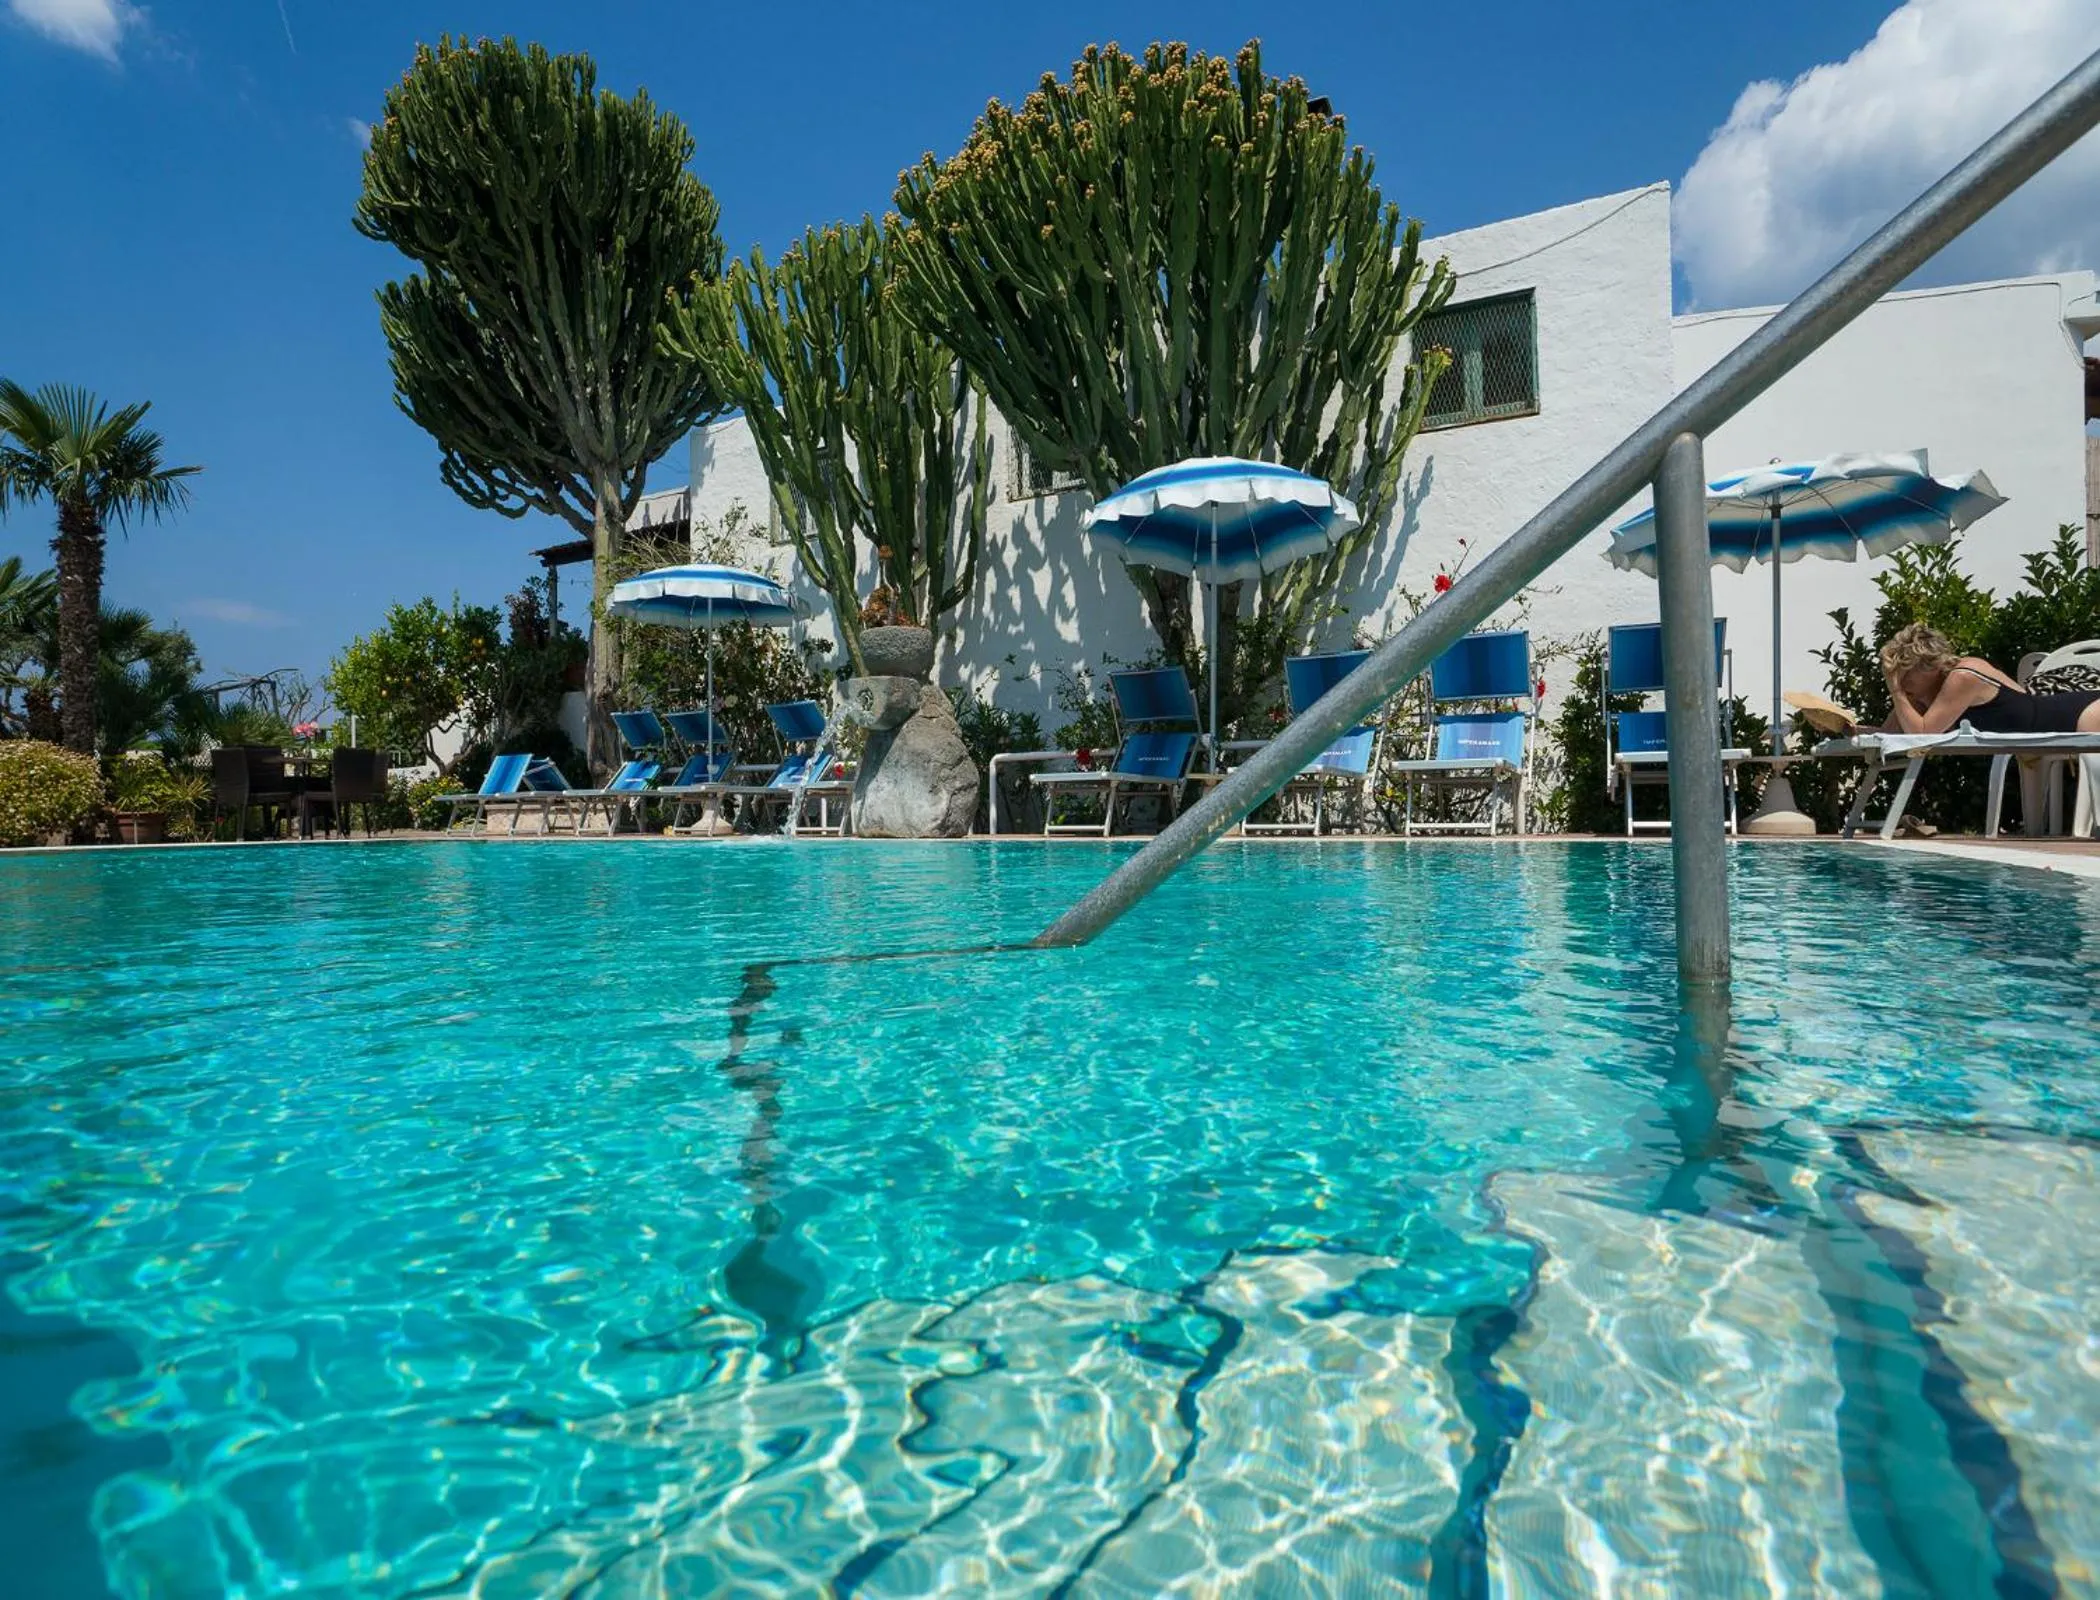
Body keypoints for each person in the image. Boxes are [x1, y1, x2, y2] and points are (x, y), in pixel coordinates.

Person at [1879, 622, 2100, 735]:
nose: (1901, 680)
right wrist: (1851, 728)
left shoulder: (1963, 676)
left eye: (1905, 673)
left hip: (2079, 713)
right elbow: (1890, 736)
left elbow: (1923, 735)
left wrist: (1895, 689)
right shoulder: (1928, 692)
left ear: (1929, 668)